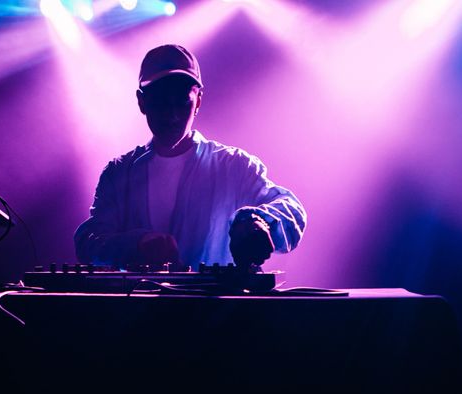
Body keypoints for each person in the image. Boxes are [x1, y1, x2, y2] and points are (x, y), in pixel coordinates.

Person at [74, 44, 306, 271]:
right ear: (141, 102)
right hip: (137, 310)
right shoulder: (118, 174)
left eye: (182, 102)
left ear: (198, 101)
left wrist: (260, 221)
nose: (172, 115)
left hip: (216, 310)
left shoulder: (234, 166)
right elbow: (89, 241)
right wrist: (137, 244)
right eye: (161, 102)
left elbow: (291, 208)